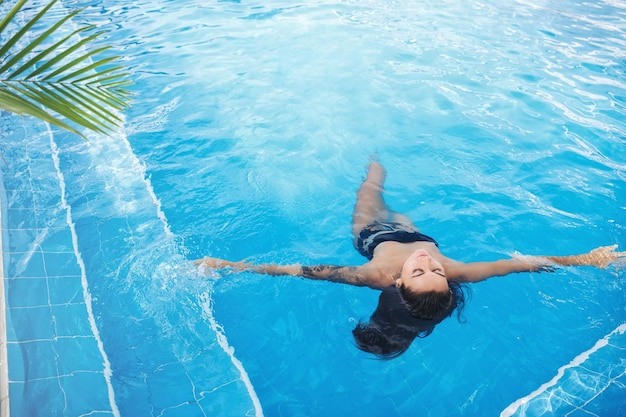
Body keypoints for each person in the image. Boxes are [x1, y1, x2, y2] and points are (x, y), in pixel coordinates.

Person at [195, 158, 625, 358]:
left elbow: (300, 271)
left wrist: (229, 267)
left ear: (398, 284)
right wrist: (588, 259)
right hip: (415, 229)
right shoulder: (455, 270)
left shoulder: (374, 275)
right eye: (435, 269)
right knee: (404, 215)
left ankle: (374, 161)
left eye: (420, 270)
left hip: (372, 236)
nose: (426, 262)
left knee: (372, 189)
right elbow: (523, 263)